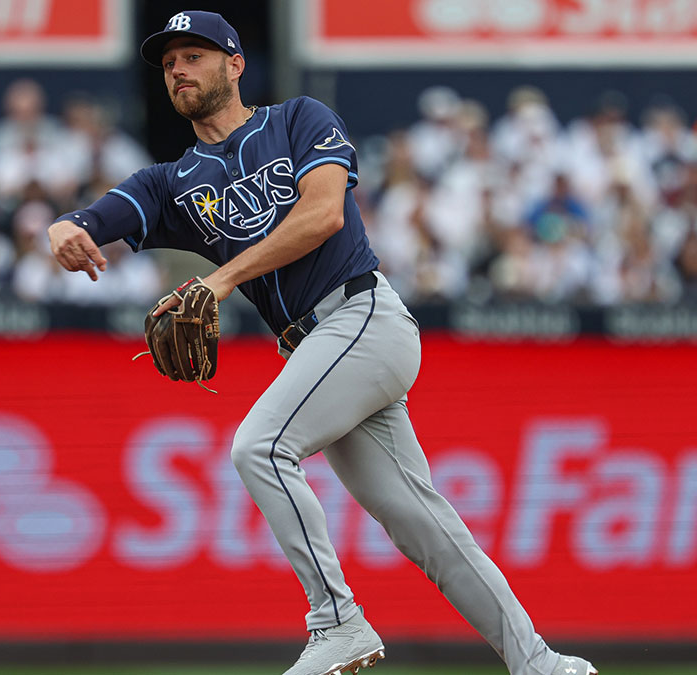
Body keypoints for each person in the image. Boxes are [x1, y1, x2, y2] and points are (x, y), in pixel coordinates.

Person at [47, 11, 598, 675]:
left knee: (260, 446)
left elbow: (323, 213)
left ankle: (336, 620)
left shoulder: (297, 120)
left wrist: (219, 280)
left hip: (362, 315)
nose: (179, 71)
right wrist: (69, 226)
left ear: (235, 63)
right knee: (424, 526)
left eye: (194, 55)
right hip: (314, 347)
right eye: (168, 64)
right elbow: (104, 212)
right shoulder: (176, 182)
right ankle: (539, 662)